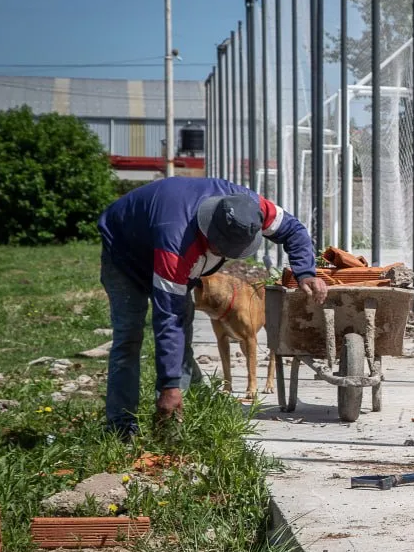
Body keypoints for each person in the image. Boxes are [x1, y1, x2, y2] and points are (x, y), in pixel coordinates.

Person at [97, 177, 327, 439]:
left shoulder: (250, 208)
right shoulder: (176, 241)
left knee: (181, 339)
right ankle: (121, 427)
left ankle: (176, 423)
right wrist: (169, 386)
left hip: (167, 243)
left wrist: (305, 272)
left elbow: (294, 230)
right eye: (222, 248)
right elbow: (168, 318)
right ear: (209, 228)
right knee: (129, 337)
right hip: (125, 252)